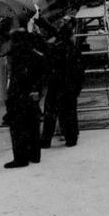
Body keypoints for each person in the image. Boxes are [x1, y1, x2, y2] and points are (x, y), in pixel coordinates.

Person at [4, 24, 48, 169]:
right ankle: (35, 154)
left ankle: (20, 158)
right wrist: (37, 90)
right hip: (31, 95)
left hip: (19, 95)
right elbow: (42, 71)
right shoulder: (35, 54)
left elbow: (19, 77)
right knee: (32, 125)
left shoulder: (18, 56)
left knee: (18, 128)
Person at [41, 21, 86, 149]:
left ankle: (46, 140)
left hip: (55, 85)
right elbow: (80, 70)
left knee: (50, 114)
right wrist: (78, 87)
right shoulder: (73, 50)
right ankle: (71, 138)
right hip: (69, 86)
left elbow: (47, 67)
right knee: (69, 113)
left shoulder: (54, 49)